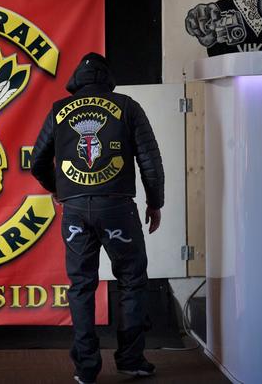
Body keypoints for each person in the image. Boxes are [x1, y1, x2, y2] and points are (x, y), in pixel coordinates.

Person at [30, 53, 165, 384]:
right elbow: (150, 160)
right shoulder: (127, 106)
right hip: (117, 207)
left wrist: (58, 189)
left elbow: (37, 161)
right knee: (132, 280)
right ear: (108, 79)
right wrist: (155, 202)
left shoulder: (60, 110)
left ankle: (86, 368)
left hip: (75, 210)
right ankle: (131, 359)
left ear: (77, 80)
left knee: (81, 286)